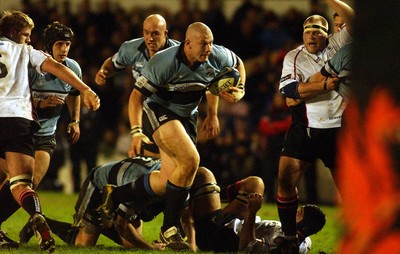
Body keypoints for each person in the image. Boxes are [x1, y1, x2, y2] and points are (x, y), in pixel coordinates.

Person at [124, 21, 246, 249]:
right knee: (191, 160)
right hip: (158, 110)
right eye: (203, 44)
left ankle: (117, 196)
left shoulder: (216, 55)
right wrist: (136, 131)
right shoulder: (164, 61)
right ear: (187, 43)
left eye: (210, 43)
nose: (208, 49)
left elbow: (238, 64)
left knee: (170, 177)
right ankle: (169, 228)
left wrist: (239, 91)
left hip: (187, 117)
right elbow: (136, 97)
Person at [0, 10, 100, 252]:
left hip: (39, 133)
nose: (28, 39)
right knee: (21, 183)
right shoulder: (27, 54)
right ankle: (36, 216)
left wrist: (74, 119)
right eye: (25, 35)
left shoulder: (71, 65)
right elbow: (53, 66)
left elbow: (71, 91)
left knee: (23, 180)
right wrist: (86, 89)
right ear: (14, 33)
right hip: (19, 122)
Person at [276, 0, 354, 252]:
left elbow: (354, 20)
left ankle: (356, 240)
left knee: (349, 192)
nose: (311, 35)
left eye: (318, 31)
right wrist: (321, 85)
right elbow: (288, 92)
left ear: (327, 34)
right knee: (285, 178)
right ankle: (288, 238)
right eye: (307, 31)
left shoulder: (339, 43)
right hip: (306, 126)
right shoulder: (293, 56)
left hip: (339, 127)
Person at [19, 156, 166, 251]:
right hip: (99, 185)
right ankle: (39, 222)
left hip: (122, 187)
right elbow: (122, 226)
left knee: (133, 245)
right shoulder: (139, 184)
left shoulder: (172, 181)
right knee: (83, 244)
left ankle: (101, 223)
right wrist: (150, 248)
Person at [186, 167, 326, 253]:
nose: (294, 212)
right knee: (255, 183)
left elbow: (245, 247)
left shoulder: (280, 244)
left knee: (202, 174)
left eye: (299, 214)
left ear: (303, 225)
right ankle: (211, 197)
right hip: (234, 223)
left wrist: (252, 212)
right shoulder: (304, 240)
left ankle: (186, 233)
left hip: (218, 234)